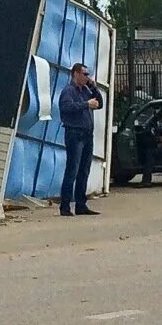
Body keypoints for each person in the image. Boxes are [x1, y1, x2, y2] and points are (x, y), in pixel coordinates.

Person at [58, 62, 104, 216]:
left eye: (88, 74)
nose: (87, 77)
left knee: (84, 170)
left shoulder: (86, 90)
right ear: (76, 74)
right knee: (73, 169)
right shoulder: (68, 91)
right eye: (84, 74)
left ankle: (80, 204)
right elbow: (66, 108)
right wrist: (86, 104)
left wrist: (93, 86)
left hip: (87, 135)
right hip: (74, 134)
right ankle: (65, 206)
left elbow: (100, 104)